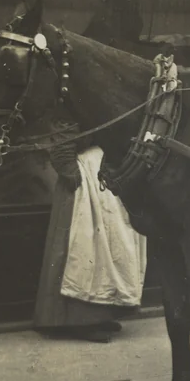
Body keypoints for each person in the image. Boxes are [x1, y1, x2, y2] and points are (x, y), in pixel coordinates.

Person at [34, 135, 147, 343]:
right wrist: (69, 169)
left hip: (109, 170)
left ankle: (102, 314)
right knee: (86, 246)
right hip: (85, 174)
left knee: (112, 247)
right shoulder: (73, 105)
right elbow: (63, 135)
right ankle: (79, 319)